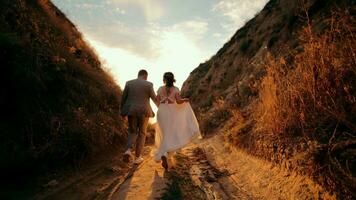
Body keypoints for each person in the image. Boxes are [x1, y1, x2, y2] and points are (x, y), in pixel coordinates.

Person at [154, 72, 201, 169]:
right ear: (173, 79)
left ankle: (164, 153)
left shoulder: (159, 89)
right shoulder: (175, 89)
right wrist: (185, 100)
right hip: (171, 112)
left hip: (162, 111)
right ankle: (165, 154)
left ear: (164, 79)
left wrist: (162, 107)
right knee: (169, 134)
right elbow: (179, 102)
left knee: (164, 134)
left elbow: (157, 100)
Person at [121, 69, 158, 164]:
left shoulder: (128, 83)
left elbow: (123, 98)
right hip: (144, 112)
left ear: (138, 75)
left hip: (131, 110)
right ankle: (137, 158)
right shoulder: (149, 84)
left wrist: (122, 112)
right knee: (142, 133)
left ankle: (128, 150)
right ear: (146, 76)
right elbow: (154, 98)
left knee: (132, 131)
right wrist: (162, 108)